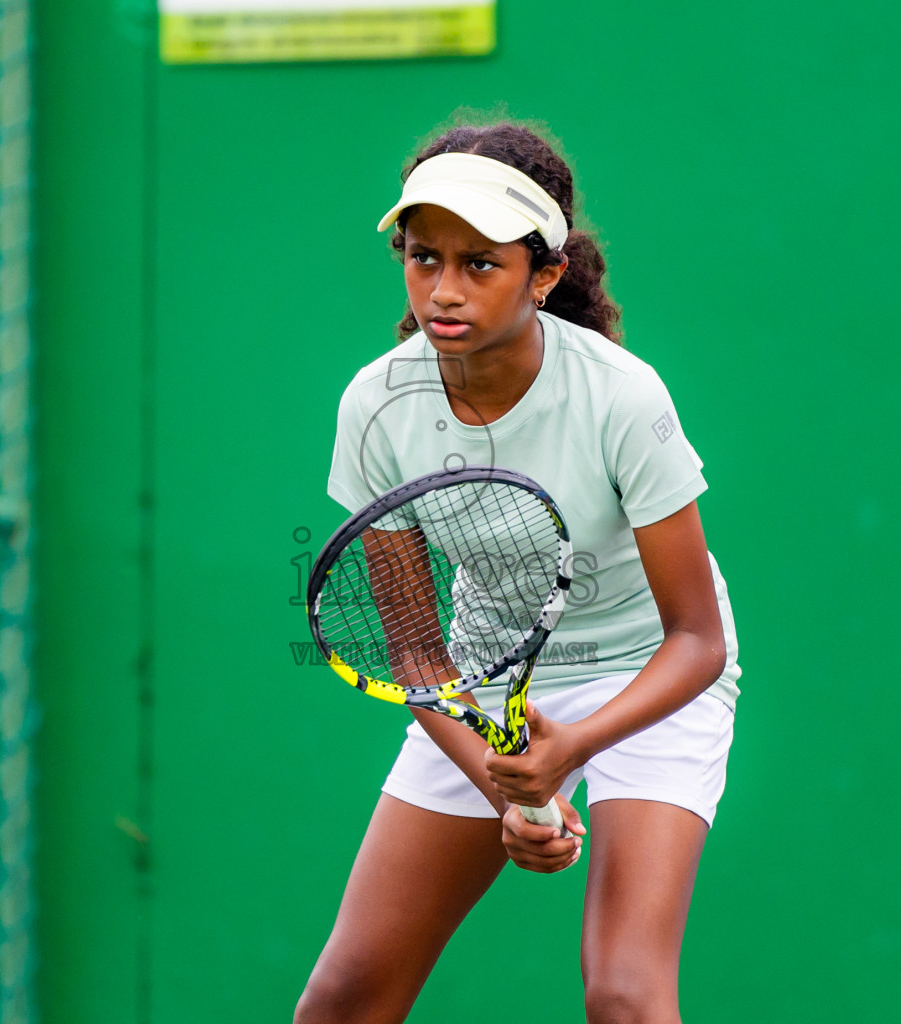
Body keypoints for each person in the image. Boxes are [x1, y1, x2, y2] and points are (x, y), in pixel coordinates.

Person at [295, 119, 742, 1024]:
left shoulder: (621, 395)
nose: (443, 290)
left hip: (651, 675)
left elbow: (699, 638)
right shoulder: (376, 406)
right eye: (423, 259)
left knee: (624, 994)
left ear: (545, 275)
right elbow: (414, 655)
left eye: (480, 264)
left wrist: (572, 748)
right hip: (483, 686)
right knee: (341, 1000)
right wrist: (507, 775)